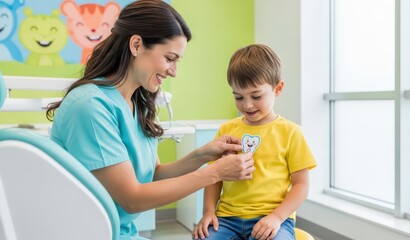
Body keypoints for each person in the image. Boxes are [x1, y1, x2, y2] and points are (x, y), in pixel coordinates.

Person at [46, 1, 255, 239]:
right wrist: (214, 173)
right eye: (169, 58)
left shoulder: (138, 102)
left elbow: (154, 174)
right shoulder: (90, 106)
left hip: (121, 232)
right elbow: (131, 199)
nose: (174, 71)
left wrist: (205, 155)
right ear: (136, 45)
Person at [192, 44, 317, 240]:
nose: (247, 105)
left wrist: (276, 217)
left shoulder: (291, 132)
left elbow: (301, 185)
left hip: (272, 218)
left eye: (256, 96)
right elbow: (214, 177)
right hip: (227, 219)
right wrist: (208, 212)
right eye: (238, 97)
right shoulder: (226, 130)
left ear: (278, 89)